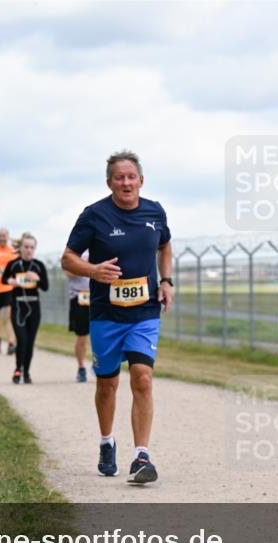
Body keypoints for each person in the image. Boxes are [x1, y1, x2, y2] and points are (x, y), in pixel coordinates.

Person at [61, 150, 173, 484]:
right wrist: (93, 270)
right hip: (106, 315)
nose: (126, 182)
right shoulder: (94, 215)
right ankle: (106, 441)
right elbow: (68, 259)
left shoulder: (155, 212)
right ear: (109, 183)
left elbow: (164, 246)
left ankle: (141, 456)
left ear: (141, 180)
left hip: (145, 312)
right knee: (107, 383)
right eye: (119, 178)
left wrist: (166, 281)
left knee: (142, 377)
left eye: (131, 176)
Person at [2, 234, 49, 384]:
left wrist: (37, 278)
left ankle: (26, 372)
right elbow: (4, 278)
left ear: (34, 249)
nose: (28, 250)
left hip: (34, 306)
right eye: (26, 247)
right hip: (18, 305)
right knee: (22, 340)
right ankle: (18, 369)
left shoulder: (38, 265)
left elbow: (45, 287)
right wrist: (10, 280)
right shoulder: (14, 264)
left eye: (31, 247)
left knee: (30, 342)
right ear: (21, 248)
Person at [67, 251, 91, 383]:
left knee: (101, 334)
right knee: (82, 337)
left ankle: (99, 365)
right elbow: (69, 273)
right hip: (79, 298)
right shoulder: (74, 250)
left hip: (97, 298)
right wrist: (86, 265)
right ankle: (81, 367)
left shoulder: (100, 246)